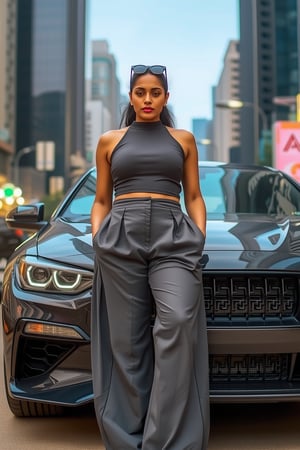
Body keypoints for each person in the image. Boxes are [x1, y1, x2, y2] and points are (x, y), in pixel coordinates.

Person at [91, 64, 210, 450]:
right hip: (120, 236)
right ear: (130, 97)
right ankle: (127, 438)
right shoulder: (110, 140)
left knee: (176, 322)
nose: (147, 99)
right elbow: (101, 199)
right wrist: (99, 238)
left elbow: (193, 196)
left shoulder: (184, 139)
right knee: (127, 342)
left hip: (173, 236)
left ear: (166, 97)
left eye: (155, 93)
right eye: (140, 92)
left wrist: (198, 237)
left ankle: (166, 440)